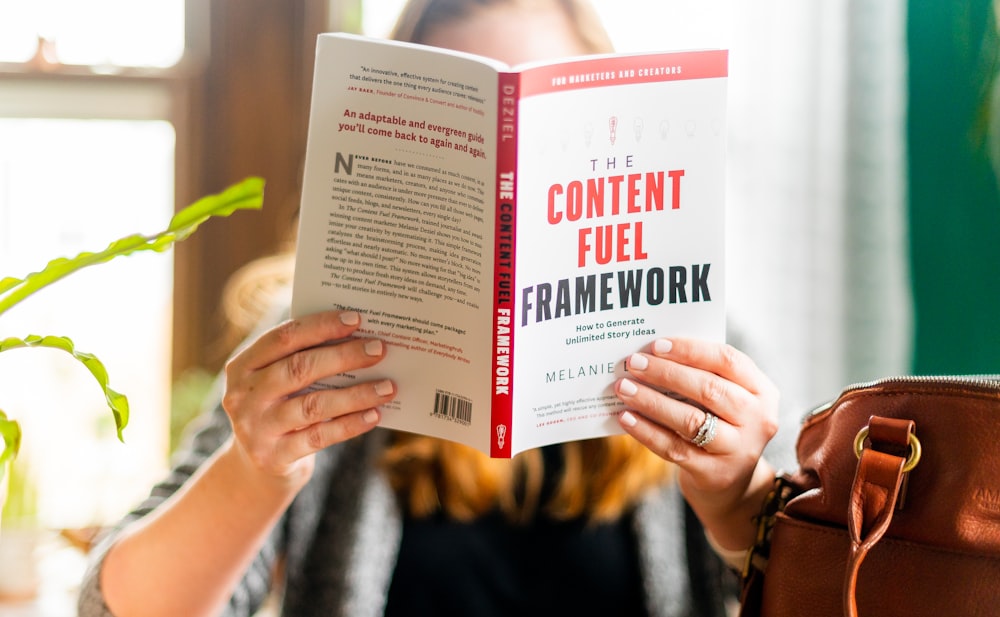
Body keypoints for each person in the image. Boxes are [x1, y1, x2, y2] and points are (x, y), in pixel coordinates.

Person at [78, 1, 781, 616]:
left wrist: (739, 504)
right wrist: (253, 471)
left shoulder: (694, 335)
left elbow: (833, 588)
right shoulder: (318, 337)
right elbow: (117, 608)